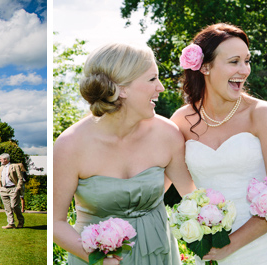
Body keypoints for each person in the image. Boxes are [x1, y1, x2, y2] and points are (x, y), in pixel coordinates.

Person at [54, 42, 195, 264]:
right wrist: (96, 257)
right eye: (151, 79)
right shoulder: (70, 145)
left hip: (157, 253)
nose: (161, 87)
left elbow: (193, 198)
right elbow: (55, 222)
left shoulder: (167, 134)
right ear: (121, 89)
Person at [169, 23, 267, 264]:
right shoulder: (181, 121)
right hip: (210, 252)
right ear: (205, 66)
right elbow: (163, 183)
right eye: (234, 61)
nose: (244, 70)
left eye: (246, 61)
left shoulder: (262, 114)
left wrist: (229, 246)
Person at [0, 153, 25, 229]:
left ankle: (21, 221)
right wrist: (1, 188)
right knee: (7, 208)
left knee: (14, 206)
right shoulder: (1, 168)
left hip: (13, 188)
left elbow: (20, 178)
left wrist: (17, 188)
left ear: (5, 159)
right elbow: (0, 178)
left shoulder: (14, 166)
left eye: (1, 159)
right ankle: (11, 223)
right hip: (3, 189)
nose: (0, 160)